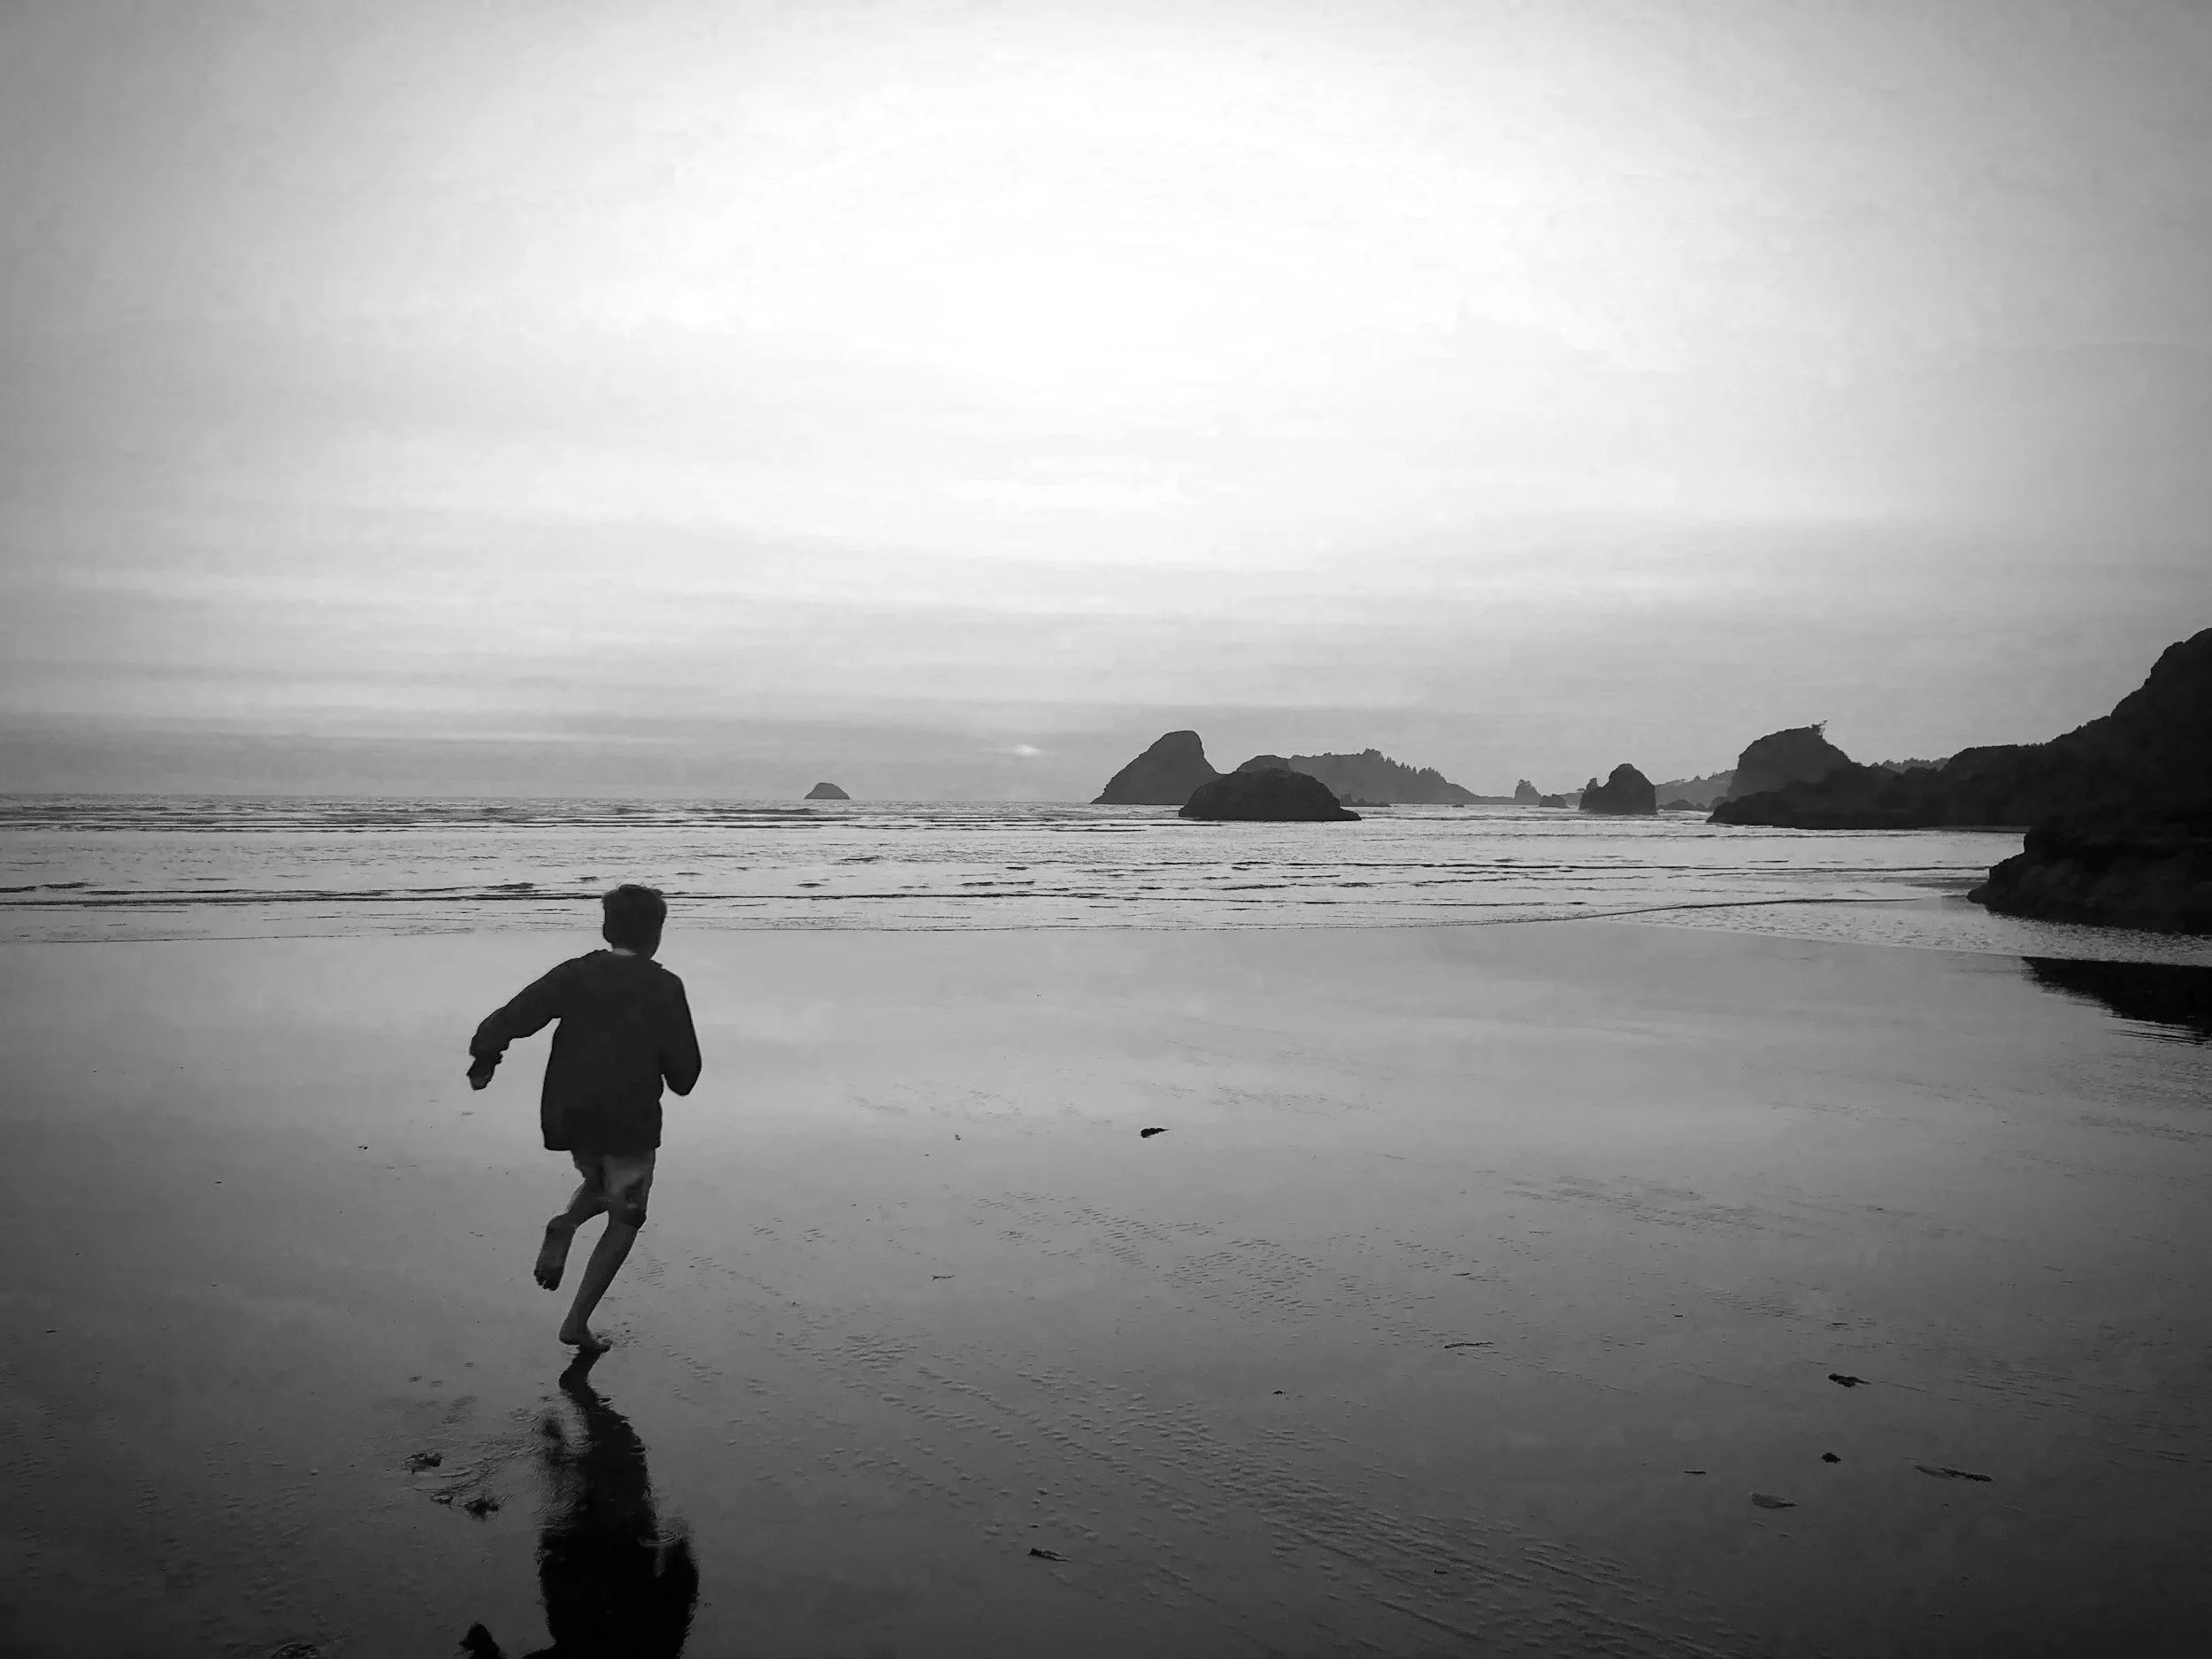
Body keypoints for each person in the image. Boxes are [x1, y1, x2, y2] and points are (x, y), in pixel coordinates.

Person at [469, 884, 703, 1351]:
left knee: (599, 1178)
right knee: (627, 1215)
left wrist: (486, 1055)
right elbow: (684, 1074)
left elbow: (517, 1014)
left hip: (569, 1110)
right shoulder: (664, 986)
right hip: (628, 1116)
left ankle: (567, 1223)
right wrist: (674, 1071)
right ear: (656, 935)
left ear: (605, 928)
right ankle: (575, 1323)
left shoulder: (575, 974)